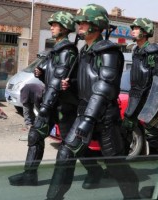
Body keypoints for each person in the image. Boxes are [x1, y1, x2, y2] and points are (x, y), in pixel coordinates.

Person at [46, 4, 140, 199]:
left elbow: (104, 87)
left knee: (115, 165)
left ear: (96, 24)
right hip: (84, 113)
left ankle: (133, 195)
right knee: (65, 154)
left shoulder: (108, 52)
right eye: (79, 22)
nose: (79, 25)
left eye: (83, 22)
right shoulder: (84, 50)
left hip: (104, 118)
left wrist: (88, 119)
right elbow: (86, 82)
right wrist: (69, 84)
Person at [8, 10, 104, 189]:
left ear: (65, 28)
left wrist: (45, 105)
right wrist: (42, 73)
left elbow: (59, 80)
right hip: (51, 103)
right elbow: (53, 78)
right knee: (35, 135)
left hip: (63, 106)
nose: (51, 27)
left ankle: (95, 170)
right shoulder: (57, 49)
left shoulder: (68, 51)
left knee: (72, 145)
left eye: (55, 25)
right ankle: (30, 175)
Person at [122, 18, 158, 154]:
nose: (133, 31)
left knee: (153, 136)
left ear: (145, 32)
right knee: (125, 130)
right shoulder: (136, 51)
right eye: (133, 29)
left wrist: (153, 105)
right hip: (135, 98)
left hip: (149, 102)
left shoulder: (153, 52)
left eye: (137, 29)